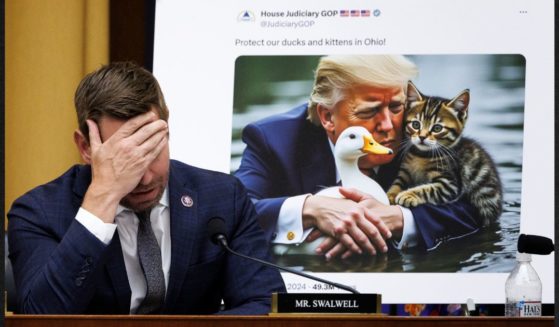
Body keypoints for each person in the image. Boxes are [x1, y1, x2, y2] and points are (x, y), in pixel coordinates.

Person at [7, 62, 285, 314]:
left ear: (167, 131)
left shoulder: (224, 199)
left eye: (151, 149)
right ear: (86, 147)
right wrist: (102, 198)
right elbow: (40, 316)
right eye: (125, 157)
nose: (145, 178)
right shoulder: (38, 213)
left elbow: (264, 304)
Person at [235, 55, 482, 260]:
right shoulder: (272, 139)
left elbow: (473, 208)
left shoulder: (418, 135)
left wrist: (401, 218)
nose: (388, 126)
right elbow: (235, 211)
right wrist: (310, 208)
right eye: (370, 111)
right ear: (328, 118)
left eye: (396, 107)